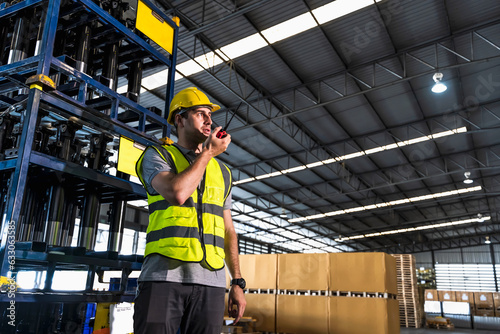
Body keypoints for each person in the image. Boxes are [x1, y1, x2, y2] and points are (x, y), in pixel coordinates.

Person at [133, 87, 246, 334]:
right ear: (179, 119)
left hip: (212, 284)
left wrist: (237, 282)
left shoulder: (223, 172)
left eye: (210, 114)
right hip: (163, 278)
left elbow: (229, 231)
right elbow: (177, 193)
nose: (209, 120)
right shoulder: (157, 156)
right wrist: (207, 153)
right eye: (199, 113)